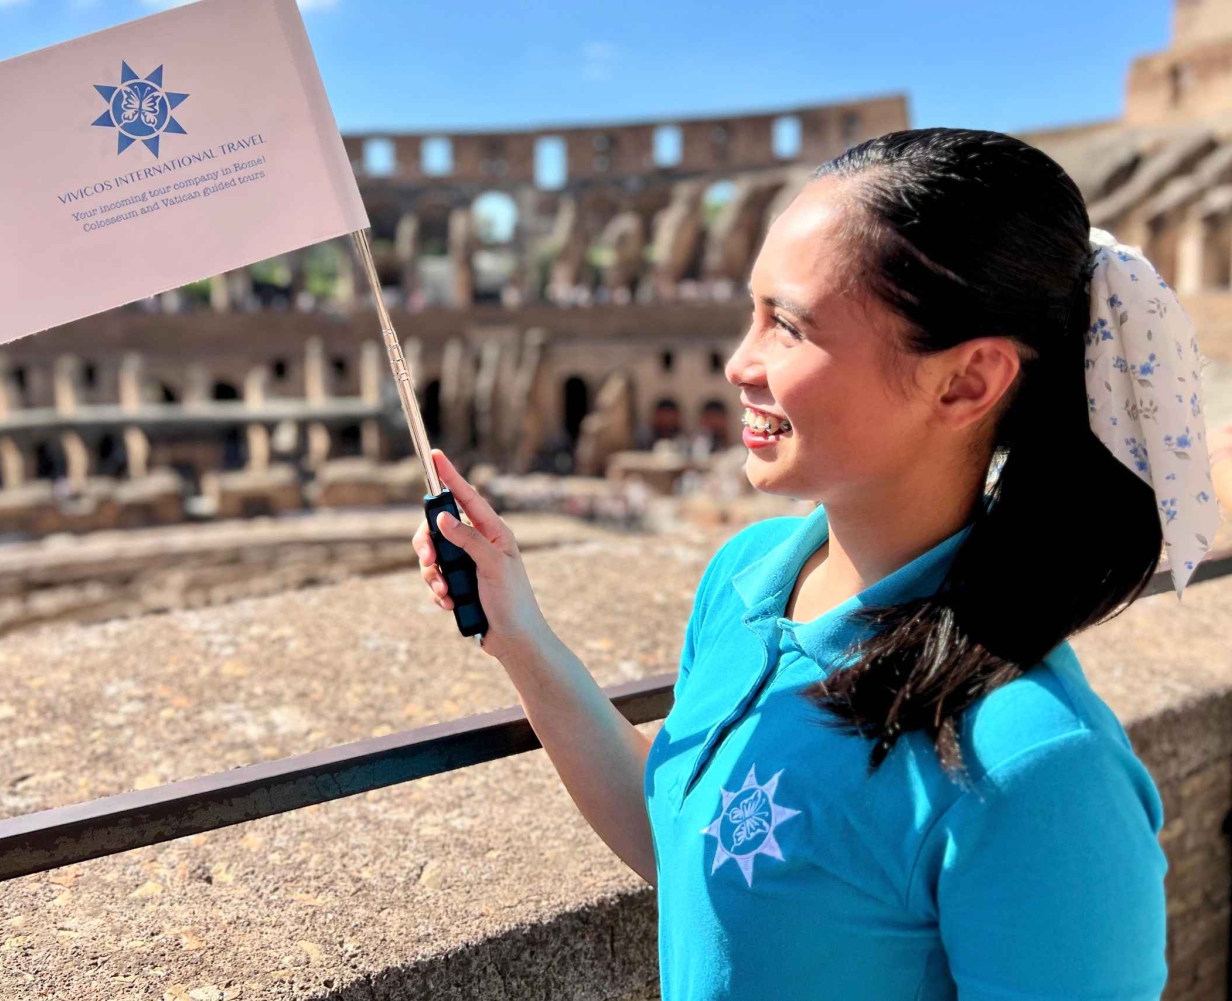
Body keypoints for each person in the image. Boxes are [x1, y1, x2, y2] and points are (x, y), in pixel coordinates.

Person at [412, 128, 1220, 1000]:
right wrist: (521, 635)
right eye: (752, 313)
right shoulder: (745, 575)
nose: (738, 362)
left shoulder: (1038, 773)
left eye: (788, 327)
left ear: (966, 382)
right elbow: (694, 846)